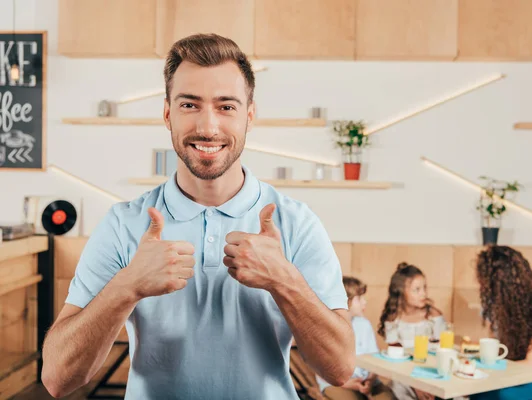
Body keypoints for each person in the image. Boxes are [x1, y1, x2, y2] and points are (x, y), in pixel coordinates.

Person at [40, 33, 355, 399]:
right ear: (167, 113)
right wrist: (128, 286)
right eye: (190, 105)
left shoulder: (297, 223)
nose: (208, 127)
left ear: (249, 116)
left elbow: (340, 369)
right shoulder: (124, 223)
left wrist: (284, 280)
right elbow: (57, 378)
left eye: (226, 106)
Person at [470, 246, 532, 400]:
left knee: (503, 396)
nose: (480, 283)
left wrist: (491, 370)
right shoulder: (495, 306)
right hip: (509, 373)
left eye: (484, 278)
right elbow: (497, 349)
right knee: (476, 392)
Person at [317, 277, 397, 400]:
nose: (365, 302)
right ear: (346, 301)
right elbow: (321, 368)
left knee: (388, 397)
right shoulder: (327, 327)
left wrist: (370, 380)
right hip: (339, 384)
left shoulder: (364, 324)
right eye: (359, 298)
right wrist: (350, 384)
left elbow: (374, 359)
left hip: (368, 381)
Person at [377, 263, 447, 400]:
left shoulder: (434, 316)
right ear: (401, 292)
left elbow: (442, 353)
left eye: (424, 288)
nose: (423, 293)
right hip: (403, 379)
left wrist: (426, 385)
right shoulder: (393, 319)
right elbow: (395, 360)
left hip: (431, 376)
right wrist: (414, 384)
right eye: (416, 289)